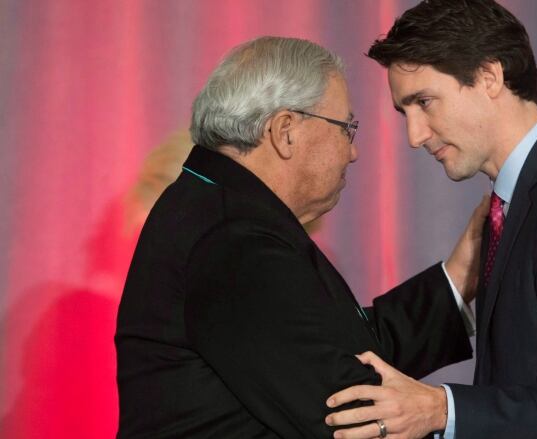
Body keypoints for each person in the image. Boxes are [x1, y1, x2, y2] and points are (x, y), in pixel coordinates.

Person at [325, 1, 537, 438]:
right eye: (405, 113)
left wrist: (439, 409)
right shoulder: (521, 199)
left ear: (490, 77)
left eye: (425, 102)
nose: (415, 136)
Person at [115, 36, 486, 438]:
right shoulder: (234, 239)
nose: (353, 152)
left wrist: (458, 276)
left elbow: (341, 349)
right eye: (347, 128)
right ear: (286, 131)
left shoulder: (219, 207)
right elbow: (349, 411)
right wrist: (459, 414)